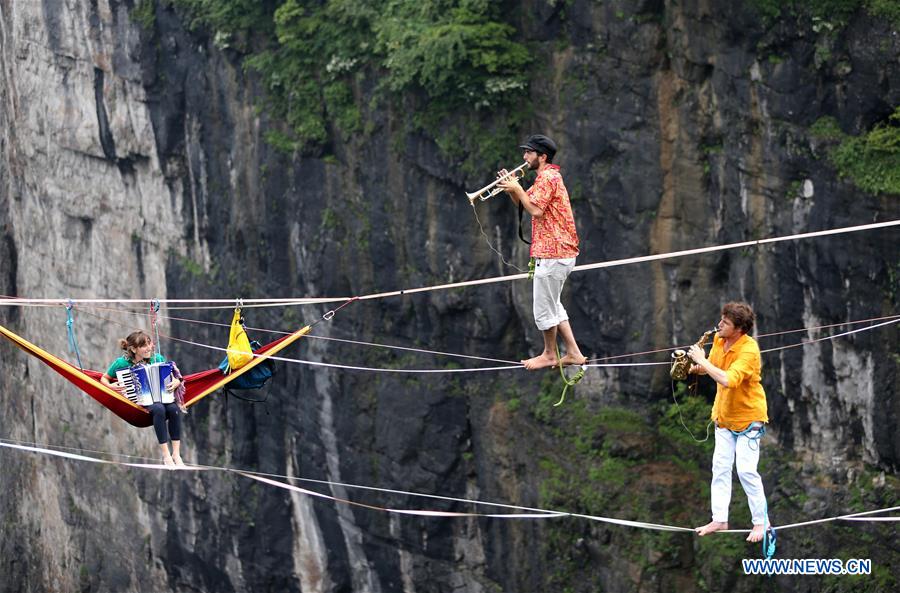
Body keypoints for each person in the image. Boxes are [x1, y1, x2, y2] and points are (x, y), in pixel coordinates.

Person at [498, 134, 586, 370]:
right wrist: (512, 190)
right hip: (557, 253)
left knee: (543, 308)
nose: (524, 157)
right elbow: (525, 204)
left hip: (554, 253)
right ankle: (574, 353)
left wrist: (517, 187)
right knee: (554, 305)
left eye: (529, 152)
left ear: (542, 156)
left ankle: (549, 354)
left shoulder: (548, 177)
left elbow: (535, 210)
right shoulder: (545, 178)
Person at [688, 302, 770, 543]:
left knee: (746, 471)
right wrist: (695, 368)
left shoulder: (749, 350)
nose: (720, 324)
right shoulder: (720, 342)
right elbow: (713, 367)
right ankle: (720, 519)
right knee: (720, 469)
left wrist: (701, 362)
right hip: (723, 417)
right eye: (721, 319)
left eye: (726, 322)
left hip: (748, 419)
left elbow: (728, 380)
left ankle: (761, 521)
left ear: (739, 328)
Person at [100, 330, 185, 467]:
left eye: (149, 344)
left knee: (174, 409)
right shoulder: (121, 363)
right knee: (158, 409)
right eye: (144, 346)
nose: (149, 348)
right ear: (134, 349)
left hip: (161, 397)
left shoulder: (157, 359)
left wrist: (177, 381)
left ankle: (176, 453)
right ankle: (166, 454)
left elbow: (172, 377)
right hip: (138, 403)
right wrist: (110, 386)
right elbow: (104, 378)